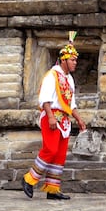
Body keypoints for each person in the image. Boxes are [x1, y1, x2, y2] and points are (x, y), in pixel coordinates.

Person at [22, 31, 88, 201]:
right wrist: (51, 117)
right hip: (52, 117)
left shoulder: (69, 79)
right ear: (64, 60)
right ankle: (29, 179)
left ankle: (53, 188)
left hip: (64, 119)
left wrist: (79, 119)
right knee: (50, 149)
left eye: (75, 60)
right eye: (73, 60)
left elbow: (71, 102)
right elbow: (45, 98)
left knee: (59, 154)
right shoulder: (52, 76)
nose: (75, 63)